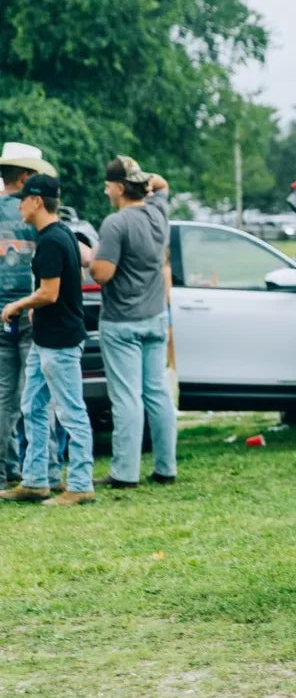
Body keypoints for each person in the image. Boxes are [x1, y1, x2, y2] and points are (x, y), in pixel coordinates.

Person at [0, 174, 94, 506]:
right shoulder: (60, 235)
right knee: (32, 407)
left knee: (71, 411)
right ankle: (36, 480)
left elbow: (49, 293)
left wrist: (19, 304)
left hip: (61, 342)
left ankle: (81, 484)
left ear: (38, 201)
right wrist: (35, 310)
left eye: (23, 199)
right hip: (44, 339)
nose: (19, 205)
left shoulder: (53, 241)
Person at [89, 156, 176, 488]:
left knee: (126, 398)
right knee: (157, 392)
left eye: (109, 184)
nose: (106, 190)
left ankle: (125, 473)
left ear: (121, 187)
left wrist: (90, 258)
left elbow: (103, 274)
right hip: (154, 316)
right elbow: (163, 183)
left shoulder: (116, 223)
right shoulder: (158, 213)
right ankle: (166, 468)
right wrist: (140, 173)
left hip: (122, 321)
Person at [0, 142, 58, 488]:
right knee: (38, 395)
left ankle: (4, 472)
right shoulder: (34, 213)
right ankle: (46, 470)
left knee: (4, 397)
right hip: (33, 311)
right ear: (24, 176)